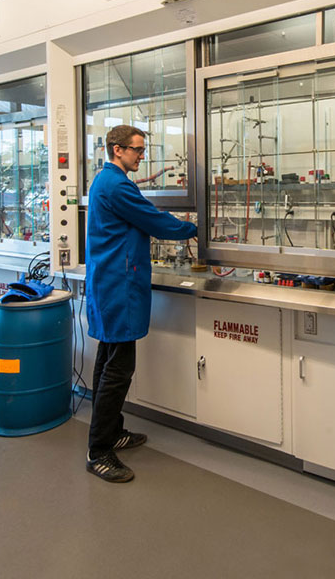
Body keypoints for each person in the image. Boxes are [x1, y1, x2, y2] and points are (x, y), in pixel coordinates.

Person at [85, 125, 197, 483]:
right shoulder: (116, 185)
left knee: (107, 362)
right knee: (118, 371)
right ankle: (99, 451)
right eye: (137, 149)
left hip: (111, 282)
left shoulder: (106, 181)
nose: (141, 155)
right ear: (117, 150)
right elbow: (153, 220)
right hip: (119, 287)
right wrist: (193, 228)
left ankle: (112, 431)